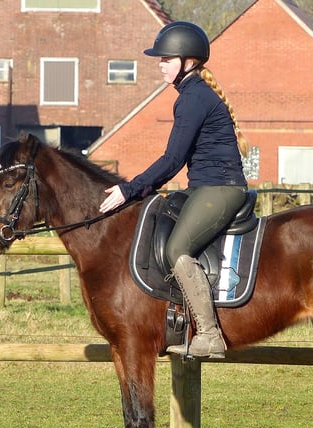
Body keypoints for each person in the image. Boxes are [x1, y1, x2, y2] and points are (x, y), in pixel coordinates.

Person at [99, 21, 249, 359]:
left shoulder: (193, 98)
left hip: (221, 188)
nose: (160, 65)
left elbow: (172, 160)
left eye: (167, 59)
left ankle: (209, 334)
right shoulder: (190, 95)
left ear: (189, 62)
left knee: (177, 248)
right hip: (203, 187)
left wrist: (129, 189)